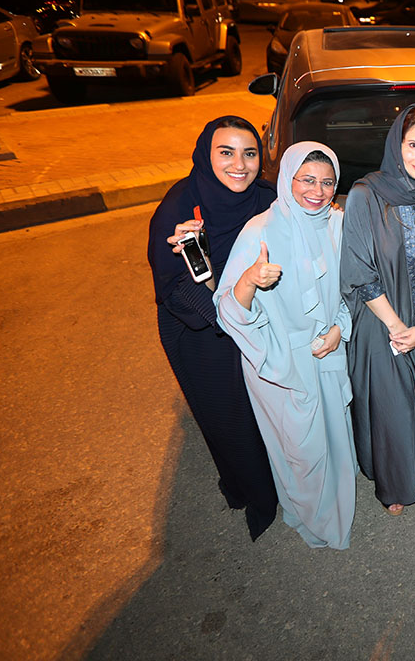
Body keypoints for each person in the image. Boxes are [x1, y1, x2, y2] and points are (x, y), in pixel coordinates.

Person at [216, 142, 357, 550]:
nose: (318, 190)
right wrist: (249, 281)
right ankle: (310, 517)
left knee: (334, 438)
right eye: (307, 180)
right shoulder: (259, 230)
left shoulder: (336, 224)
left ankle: (335, 514)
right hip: (278, 361)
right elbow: (227, 312)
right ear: (288, 179)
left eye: (327, 182)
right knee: (301, 451)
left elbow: (347, 289)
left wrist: (339, 329)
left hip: (327, 351)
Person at [148, 116, 278, 541]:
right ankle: (255, 491)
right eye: (226, 152)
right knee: (232, 417)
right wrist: (222, 311)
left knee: (270, 407)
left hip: (255, 318)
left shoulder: (267, 198)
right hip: (203, 332)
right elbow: (172, 288)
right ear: (207, 155)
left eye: (249, 153)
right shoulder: (178, 209)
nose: (239, 164)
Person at [341, 104, 415, 515]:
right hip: (381, 324)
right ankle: (396, 480)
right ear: (398, 143)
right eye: (414, 145)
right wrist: (398, 327)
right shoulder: (365, 196)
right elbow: (358, 270)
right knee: (394, 404)